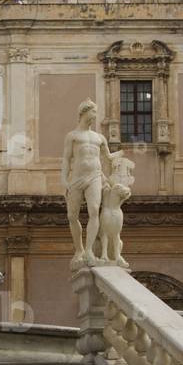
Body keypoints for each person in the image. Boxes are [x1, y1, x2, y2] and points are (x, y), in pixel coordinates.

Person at [63, 100, 115, 268]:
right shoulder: (73, 136)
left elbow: (108, 156)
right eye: (93, 112)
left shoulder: (99, 138)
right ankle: (79, 250)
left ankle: (89, 250)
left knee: (94, 211)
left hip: (95, 176)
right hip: (77, 177)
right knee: (72, 216)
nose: (95, 116)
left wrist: (121, 157)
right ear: (83, 113)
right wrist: (64, 179)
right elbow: (66, 158)